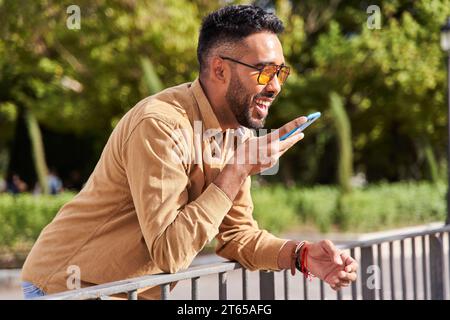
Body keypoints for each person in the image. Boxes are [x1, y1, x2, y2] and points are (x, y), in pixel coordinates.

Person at [21, 5, 357, 300]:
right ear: (220, 69)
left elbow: (236, 235)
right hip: (67, 289)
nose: (276, 86)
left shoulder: (235, 135)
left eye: (281, 71)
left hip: (124, 293)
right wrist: (237, 169)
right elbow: (170, 252)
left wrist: (301, 255)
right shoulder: (161, 125)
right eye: (264, 71)